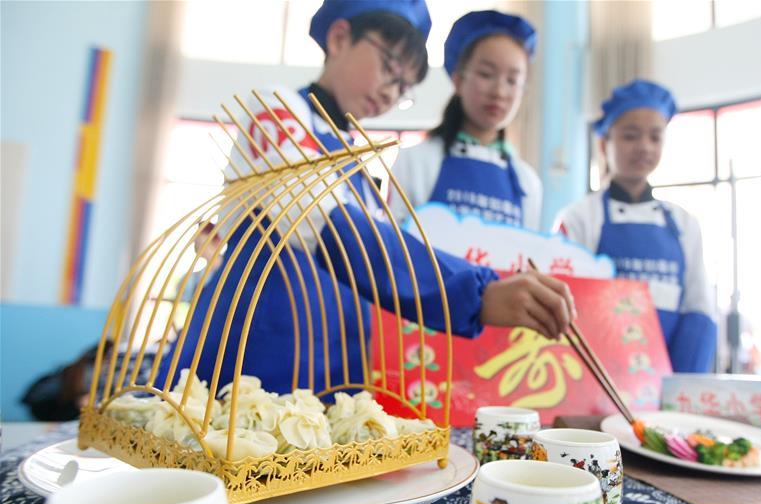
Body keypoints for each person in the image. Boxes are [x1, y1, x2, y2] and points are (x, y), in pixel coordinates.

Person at [157, 0, 575, 395]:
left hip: (335, 371)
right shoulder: (276, 110)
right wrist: (476, 294)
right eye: (390, 67)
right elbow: (325, 224)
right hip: (253, 362)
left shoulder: (359, 166)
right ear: (340, 39)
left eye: (405, 86)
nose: (393, 91)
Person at [554, 79, 716, 373]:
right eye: (630, 136)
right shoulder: (579, 218)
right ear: (605, 144)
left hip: (667, 379)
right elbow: (566, 306)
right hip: (593, 374)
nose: (644, 146)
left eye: (655, 137)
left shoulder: (684, 224)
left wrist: (681, 387)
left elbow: (699, 309)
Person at [389, 10, 542, 230]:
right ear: (459, 79)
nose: (499, 91)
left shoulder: (527, 183)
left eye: (512, 80)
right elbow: (392, 250)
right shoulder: (415, 161)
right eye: (486, 74)